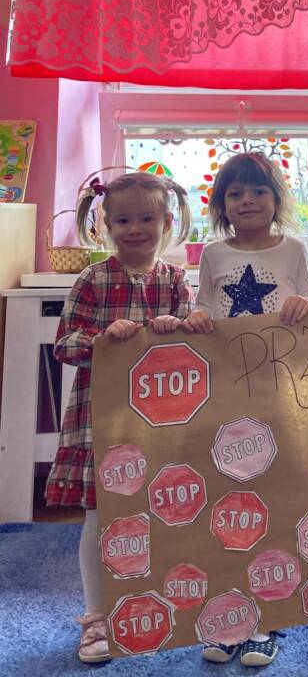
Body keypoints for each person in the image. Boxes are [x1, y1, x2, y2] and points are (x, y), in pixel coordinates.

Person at [45, 171, 193, 664]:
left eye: (147, 219)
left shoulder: (175, 279)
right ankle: (96, 616)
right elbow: (65, 344)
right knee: (100, 514)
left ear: (166, 223)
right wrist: (104, 339)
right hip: (102, 419)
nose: (135, 229)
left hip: (161, 419)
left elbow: (193, 346)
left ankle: (153, 603)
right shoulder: (93, 279)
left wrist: (177, 329)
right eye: (123, 220)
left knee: (161, 512)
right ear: (105, 226)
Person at [183, 152, 308, 667]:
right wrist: (197, 317)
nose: (247, 201)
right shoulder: (214, 254)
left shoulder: (294, 250)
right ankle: (228, 615)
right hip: (226, 391)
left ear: (276, 200)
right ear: (221, 205)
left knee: (274, 498)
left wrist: (306, 305)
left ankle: (268, 616)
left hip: (279, 389)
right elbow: (203, 303)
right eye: (235, 193)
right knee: (229, 500)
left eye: (259, 191)